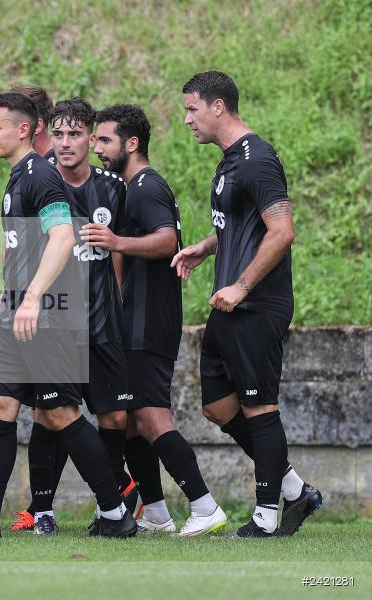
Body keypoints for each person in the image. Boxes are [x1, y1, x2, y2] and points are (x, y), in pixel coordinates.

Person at [0, 92, 136, 539]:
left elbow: (63, 238)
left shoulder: (41, 174)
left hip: (45, 317)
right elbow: (21, 247)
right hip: (17, 313)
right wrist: (7, 295)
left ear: (23, 130)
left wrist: (31, 299)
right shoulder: (20, 176)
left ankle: (114, 511)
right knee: (0, 406)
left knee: (60, 414)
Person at [173, 71, 322, 537]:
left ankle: (267, 515)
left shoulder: (258, 159)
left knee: (260, 409)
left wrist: (241, 285)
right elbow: (242, 225)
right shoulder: (229, 160)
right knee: (218, 407)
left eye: (192, 109)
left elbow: (282, 230)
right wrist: (205, 246)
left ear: (218, 107)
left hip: (257, 304)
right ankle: (295, 489)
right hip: (230, 306)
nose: (187, 120)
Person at [86, 103, 227, 536]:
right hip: (135, 319)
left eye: (105, 140)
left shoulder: (146, 187)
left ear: (132, 144)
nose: (97, 149)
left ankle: (205, 507)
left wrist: (115, 241)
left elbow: (167, 241)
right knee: (129, 420)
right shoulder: (133, 186)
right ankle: (158, 513)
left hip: (149, 322)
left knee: (150, 416)